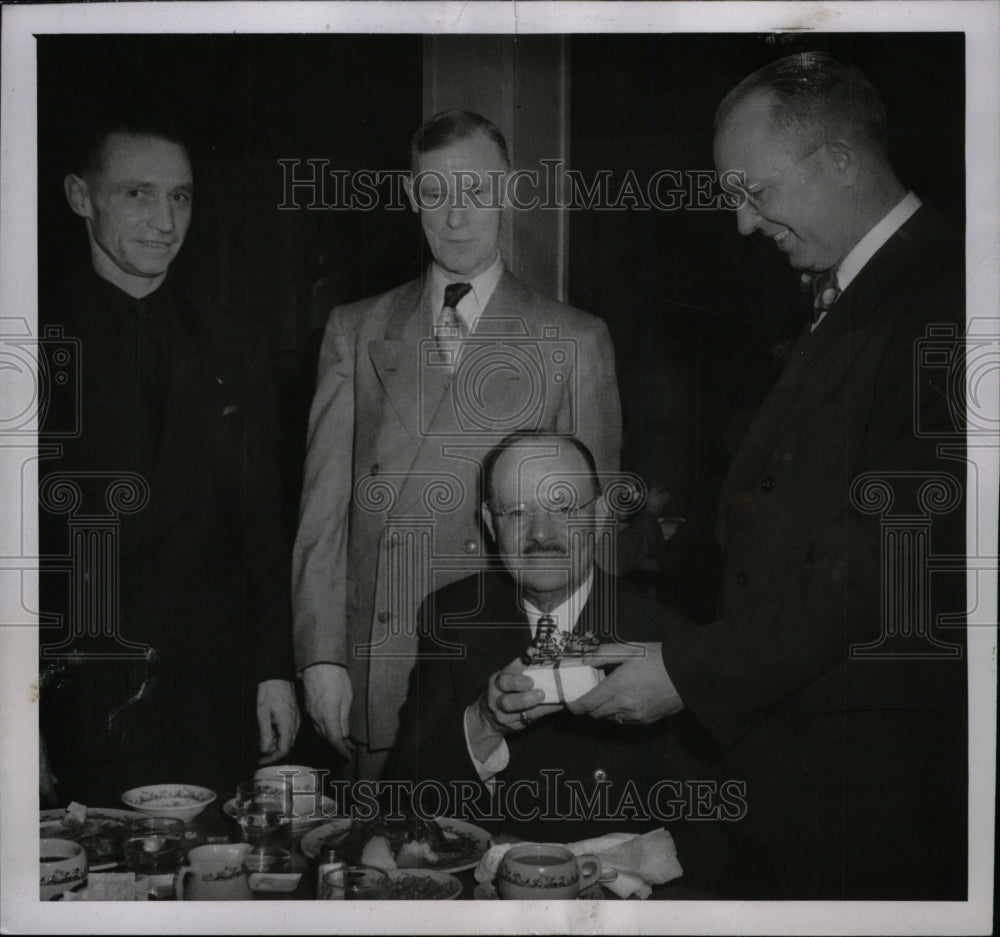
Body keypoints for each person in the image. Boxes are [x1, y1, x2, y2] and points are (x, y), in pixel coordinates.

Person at [570, 52, 967, 899]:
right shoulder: (855, 295)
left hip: (875, 780)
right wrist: (680, 647)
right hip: (803, 757)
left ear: (841, 159)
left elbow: (883, 559)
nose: (743, 224)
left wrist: (690, 672)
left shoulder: (948, 297)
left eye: (754, 189)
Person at [293, 111, 622, 781]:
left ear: (508, 191)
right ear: (414, 197)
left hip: (511, 673)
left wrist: (575, 676)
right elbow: (321, 517)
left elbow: (593, 535)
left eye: (475, 190)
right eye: (436, 192)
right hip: (379, 667)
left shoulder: (575, 338)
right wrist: (320, 657)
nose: (455, 214)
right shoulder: (355, 330)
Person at [39, 120, 299, 804]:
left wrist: (273, 673)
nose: (164, 221)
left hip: (212, 692)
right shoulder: (29, 337)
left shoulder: (236, 343)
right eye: (137, 193)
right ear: (79, 196)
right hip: (75, 696)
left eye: (180, 197)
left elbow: (261, 529)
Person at [387, 432, 720, 862]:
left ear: (600, 516)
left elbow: (700, 837)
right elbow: (404, 795)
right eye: (517, 511)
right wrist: (485, 723)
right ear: (491, 525)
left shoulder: (665, 639)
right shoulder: (451, 618)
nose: (541, 533)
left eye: (563, 506)